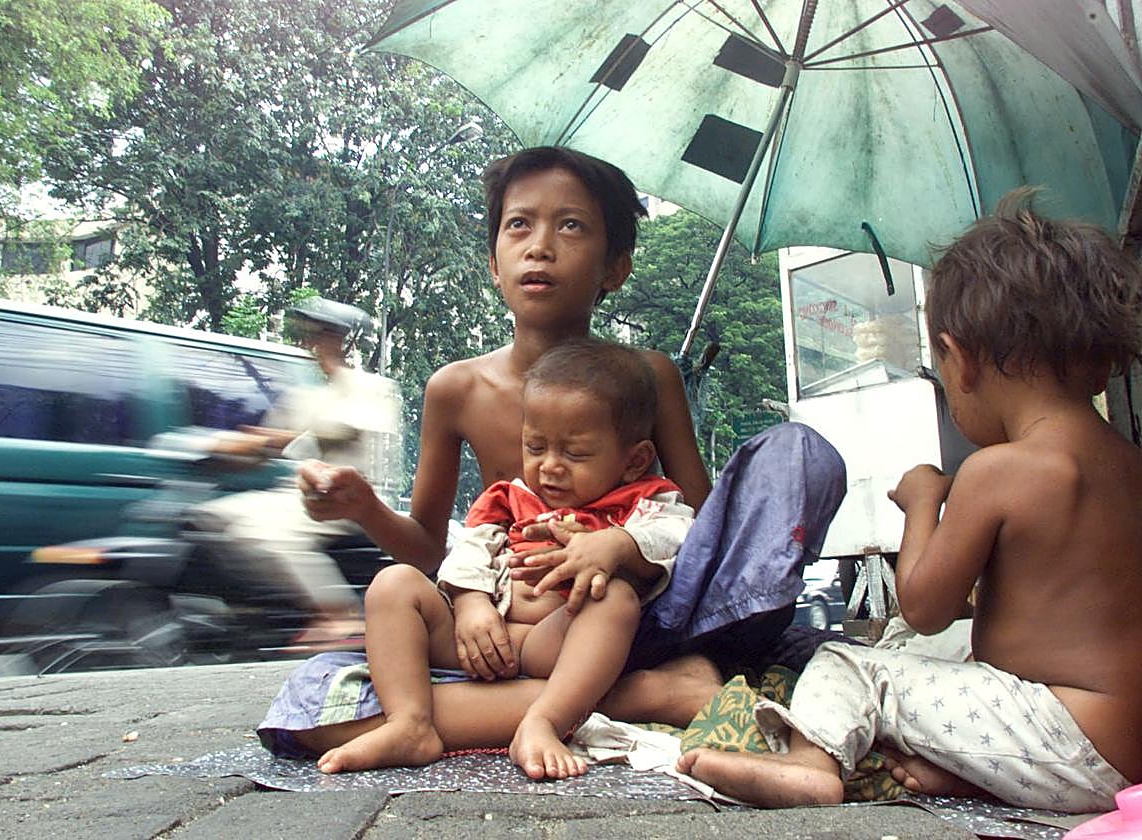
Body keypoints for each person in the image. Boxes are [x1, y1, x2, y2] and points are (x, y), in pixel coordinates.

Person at [260, 146, 845, 763]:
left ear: (614, 267)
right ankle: (640, 696)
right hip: (497, 632)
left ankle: (607, 685)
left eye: (570, 225)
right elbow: (430, 548)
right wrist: (367, 511)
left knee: (795, 451)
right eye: (520, 224)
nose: (539, 245)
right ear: (493, 262)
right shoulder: (456, 388)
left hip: (626, 616)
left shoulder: (651, 377)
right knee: (315, 701)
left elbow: (701, 530)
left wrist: (624, 549)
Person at [677, 191, 1142, 812]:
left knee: (853, 663)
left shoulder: (998, 470)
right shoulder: (1129, 464)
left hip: (1066, 744)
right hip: (1124, 741)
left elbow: (924, 603)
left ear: (961, 360)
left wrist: (922, 505)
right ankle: (971, 771)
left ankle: (812, 765)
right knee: (915, 649)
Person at [316, 340, 694, 779]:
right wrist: (471, 602)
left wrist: (617, 545)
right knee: (393, 582)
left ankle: (543, 720)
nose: (550, 466)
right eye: (535, 447)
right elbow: (472, 546)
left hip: (555, 643)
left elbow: (679, 536)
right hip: (478, 635)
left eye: (574, 453)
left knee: (615, 598)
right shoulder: (512, 497)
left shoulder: (644, 501)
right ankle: (409, 723)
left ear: (635, 461)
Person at [192, 298, 402, 642]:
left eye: (324, 334)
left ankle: (339, 615)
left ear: (343, 339)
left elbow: (335, 430)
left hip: (351, 499)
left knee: (263, 533)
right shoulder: (306, 396)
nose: (314, 343)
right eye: (312, 335)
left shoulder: (371, 389)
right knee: (213, 517)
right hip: (300, 492)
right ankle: (253, 613)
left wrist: (262, 441)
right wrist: (217, 449)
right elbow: (264, 446)